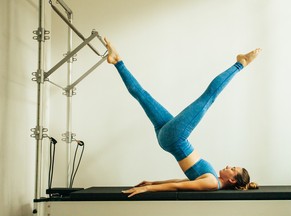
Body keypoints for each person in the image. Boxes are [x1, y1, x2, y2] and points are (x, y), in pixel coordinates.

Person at [104, 38, 260, 197]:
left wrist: (147, 189)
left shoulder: (212, 183)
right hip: (169, 138)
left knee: (208, 98)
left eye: (232, 169)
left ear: (233, 180)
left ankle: (241, 63)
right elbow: (180, 181)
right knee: (143, 96)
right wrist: (153, 183)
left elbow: (176, 187)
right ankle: (117, 61)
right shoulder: (214, 180)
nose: (229, 166)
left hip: (175, 138)